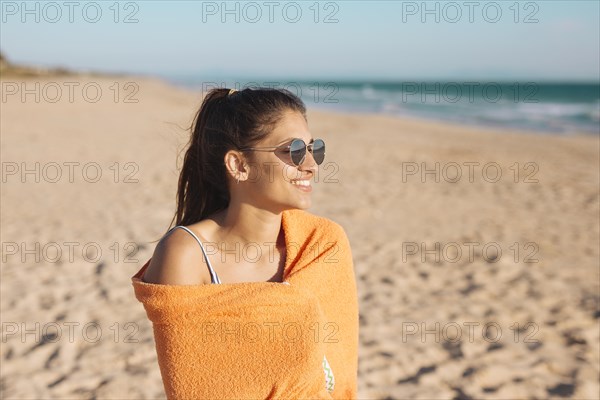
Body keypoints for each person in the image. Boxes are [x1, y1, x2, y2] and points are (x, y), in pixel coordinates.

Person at [131, 87, 358, 399]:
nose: (311, 165)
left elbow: (339, 371)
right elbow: (189, 388)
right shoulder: (187, 254)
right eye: (293, 150)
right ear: (239, 165)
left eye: (314, 149)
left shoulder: (321, 244)